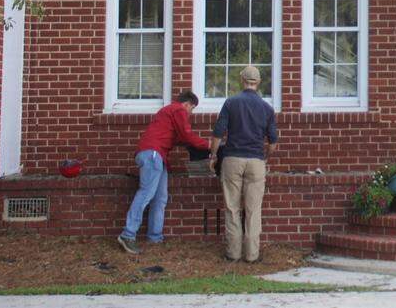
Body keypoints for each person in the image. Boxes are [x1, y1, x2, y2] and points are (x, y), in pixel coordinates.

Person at [118, 90, 209, 255]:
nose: (191, 113)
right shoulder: (178, 110)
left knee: (160, 198)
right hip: (153, 154)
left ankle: (155, 237)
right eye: (192, 108)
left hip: (157, 156)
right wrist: (208, 145)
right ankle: (128, 234)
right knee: (146, 194)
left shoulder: (168, 112)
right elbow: (187, 135)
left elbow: (180, 138)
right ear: (187, 104)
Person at [210, 65, 278, 263]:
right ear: (258, 83)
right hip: (256, 161)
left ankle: (233, 253)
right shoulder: (267, 108)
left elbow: (217, 134)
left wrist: (213, 155)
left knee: (232, 207)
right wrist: (265, 157)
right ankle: (251, 254)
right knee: (253, 209)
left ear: (242, 80)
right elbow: (273, 143)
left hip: (232, 159)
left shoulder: (231, 103)